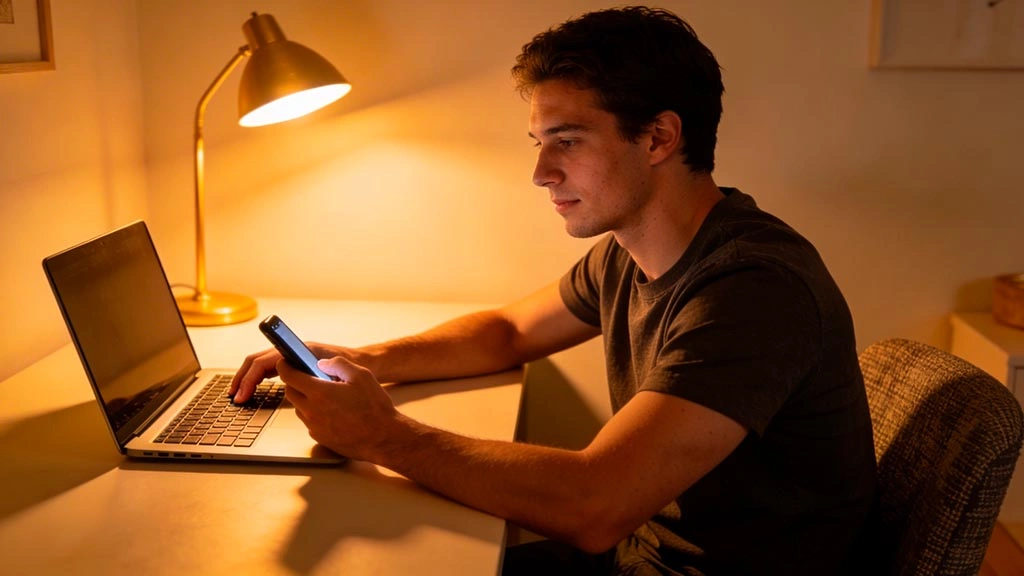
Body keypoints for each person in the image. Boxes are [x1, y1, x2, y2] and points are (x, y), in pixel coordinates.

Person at [230, 6, 876, 575]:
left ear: (658, 138)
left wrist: (383, 435)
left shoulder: (753, 289)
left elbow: (595, 504)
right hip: (636, 556)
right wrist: (362, 362)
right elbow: (508, 332)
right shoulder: (632, 251)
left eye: (566, 142)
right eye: (540, 143)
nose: (540, 173)